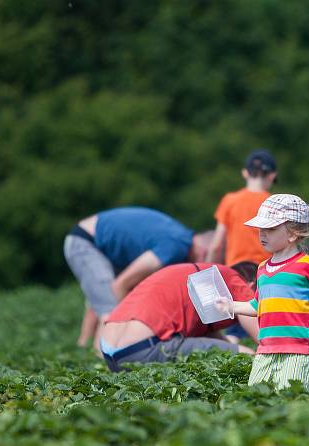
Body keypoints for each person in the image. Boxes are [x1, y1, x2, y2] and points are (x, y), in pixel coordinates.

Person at [218, 194, 309, 391]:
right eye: (261, 228)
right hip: (265, 348)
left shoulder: (307, 265)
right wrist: (231, 306)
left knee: (290, 396)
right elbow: (257, 306)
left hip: (298, 349)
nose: (262, 234)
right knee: (255, 395)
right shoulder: (262, 269)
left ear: (293, 234)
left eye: (270, 229)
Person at [64, 207, 211, 348]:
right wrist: (131, 327)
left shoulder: (180, 237)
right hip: (86, 241)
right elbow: (121, 284)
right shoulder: (176, 246)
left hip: (92, 240)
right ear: (204, 252)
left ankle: (83, 349)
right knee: (109, 311)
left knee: (100, 299)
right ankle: (99, 364)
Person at [99, 263, 259, 372]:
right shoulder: (235, 280)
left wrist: (229, 343)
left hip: (109, 352)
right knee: (247, 355)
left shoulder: (203, 275)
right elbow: (264, 339)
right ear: (251, 286)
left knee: (230, 346)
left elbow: (206, 337)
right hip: (144, 348)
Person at [205, 149, 277, 265]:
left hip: (236, 271)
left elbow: (216, 246)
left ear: (245, 173)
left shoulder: (229, 200)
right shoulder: (274, 203)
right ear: (272, 176)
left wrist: (204, 272)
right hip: (265, 273)